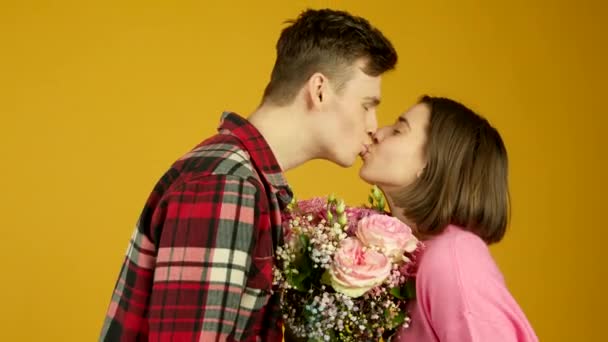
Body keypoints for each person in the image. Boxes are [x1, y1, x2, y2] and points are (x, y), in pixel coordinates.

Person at [99, 8, 397, 342]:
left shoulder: (245, 181)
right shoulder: (227, 184)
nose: (373, 126)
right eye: (367, 104)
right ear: (320, 90)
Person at [359, 95, 538, 341]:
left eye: (399, 130)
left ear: (432, 162)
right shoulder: (414, 256)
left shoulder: (452, 257)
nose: (378, 133)